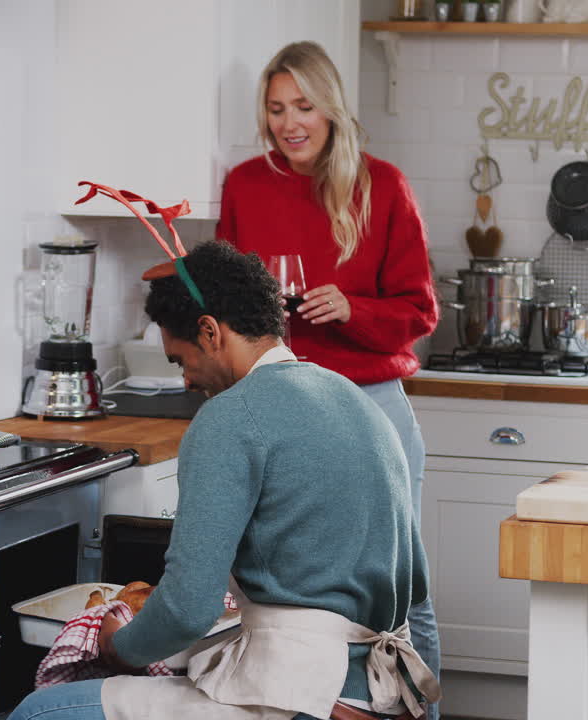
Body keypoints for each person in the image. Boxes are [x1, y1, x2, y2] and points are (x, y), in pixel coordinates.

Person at [9, 240, 439, 720]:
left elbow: (188, 610)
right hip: (387, 693)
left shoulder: (228, 418)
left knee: (40, 712)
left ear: (210, 332)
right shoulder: (354, 399)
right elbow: (417, 591)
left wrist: (118, 649)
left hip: (303, 693)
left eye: (179, 361)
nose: (187, 382)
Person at [216, 41, 442, 717]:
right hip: (280, 406)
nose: (290, 123)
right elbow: (223, 303)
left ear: (331, 108)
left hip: (368, 407)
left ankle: (425, 712)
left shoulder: (383, 186)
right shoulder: (245, 186)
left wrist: (353, 308)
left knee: (403, 590)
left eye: (304, 106)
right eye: (277, 108)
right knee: (279, 592)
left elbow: (419, 314)